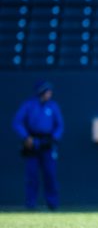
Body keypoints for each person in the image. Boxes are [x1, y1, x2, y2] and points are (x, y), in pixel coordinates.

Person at [12, 80, 64, 210]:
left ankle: (53, 204)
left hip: (47, 144)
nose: (49, 94)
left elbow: (60, 125)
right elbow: (17, 122)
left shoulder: (53, 106)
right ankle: (31, 204)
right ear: (41, 92)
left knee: (50, 175)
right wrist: (26, 137)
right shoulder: (29, 105)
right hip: (32, 143)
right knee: (32, 176)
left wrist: (54, 138)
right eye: (47, 91)